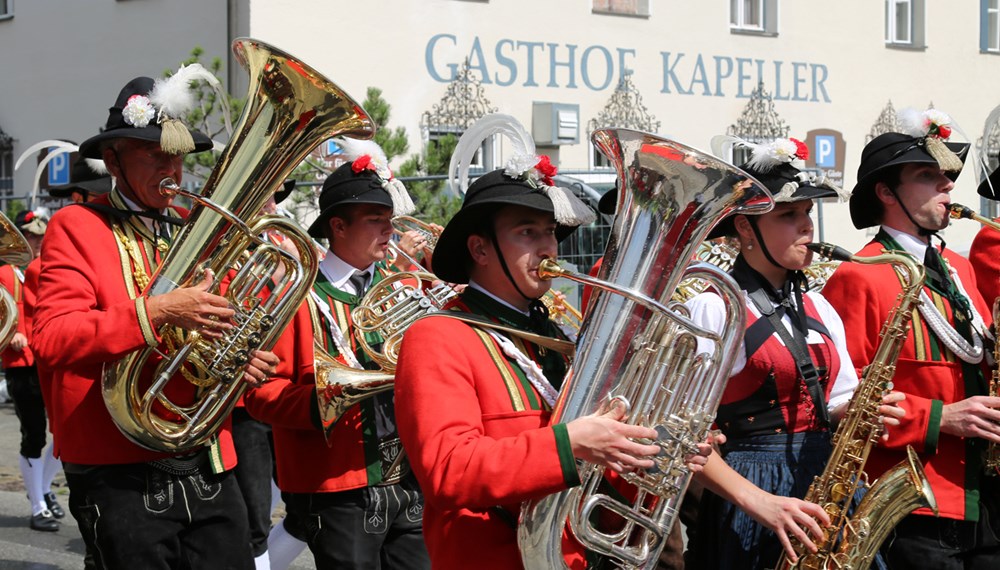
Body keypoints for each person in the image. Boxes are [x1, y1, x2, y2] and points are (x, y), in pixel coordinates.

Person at [392, 141, 712, 569]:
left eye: (550, 232)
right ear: (480, 249)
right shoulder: (439, 336)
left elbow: (597, 472)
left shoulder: (553, 333)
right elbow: (448, 470)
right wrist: (570, 444)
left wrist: (653, 453)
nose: (548, 248)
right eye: (528, 232)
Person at [32, 71, 279, 569]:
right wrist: (157, 311)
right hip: (117, 467)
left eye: (178, 157)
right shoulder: (76, 226)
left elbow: (220, 320)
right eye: (155, 155)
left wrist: (238, 357)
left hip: (207, 459)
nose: (174, 170)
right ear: (116, 161)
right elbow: (52, 336)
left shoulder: (193, 229)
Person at [684, 137, 906, 570]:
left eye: (807, 214)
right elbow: (680, 439)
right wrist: (759, 502)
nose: (807, 227)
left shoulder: (818, 306)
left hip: (823, 484)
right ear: (745, 228)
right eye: (789, 215)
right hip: (753, 497)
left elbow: (836, 402)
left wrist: (861, 410)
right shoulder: (714, 308)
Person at [822, 110, 1000, 568]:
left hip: (983, 494)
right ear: (886, 192)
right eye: (928, 175)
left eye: (947, 176)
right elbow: (845, 399)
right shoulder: (860, 274)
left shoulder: (959, 270)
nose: (947, 186)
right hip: (916, 502)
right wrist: (942, 417)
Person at [244, 138, 431, 570]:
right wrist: (322, 401)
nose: (390, 231)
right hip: (336, 486)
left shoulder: (404, 287)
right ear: (338, 227)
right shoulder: (296, 296)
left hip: (408, 477)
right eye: (374, 220)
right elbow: (260, 393)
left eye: (389, 220)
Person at [1, 210, 64, 532]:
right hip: (22, 363)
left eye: (41, 237)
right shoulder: (4, 272)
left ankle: (43, 488)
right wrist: (10, 333)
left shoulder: (47, 269)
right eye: (33, 236)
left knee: (63, 432)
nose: (37, 242)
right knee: (34, 434)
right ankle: (38, 503)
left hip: (50, 360)